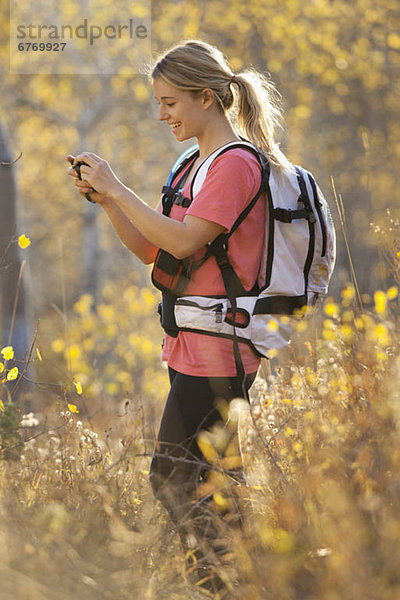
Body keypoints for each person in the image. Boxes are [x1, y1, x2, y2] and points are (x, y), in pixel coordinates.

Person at [67, 39, 293, 597]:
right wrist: (108, 201)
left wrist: (120, 186)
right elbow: (153, 250)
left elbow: (189, 239)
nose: (161, 114)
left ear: (207, 99)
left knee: (170, 477)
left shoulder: (236, 165)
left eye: (170, 102)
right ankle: (244, 583)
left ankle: (218, 584)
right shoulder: (192, 163)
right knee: (219, 484)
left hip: (222, 345)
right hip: (190, 340)